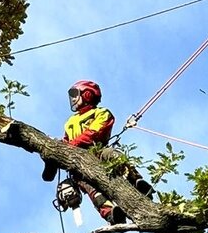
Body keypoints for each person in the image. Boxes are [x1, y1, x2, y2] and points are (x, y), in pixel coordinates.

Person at [43, 80, 152, 224]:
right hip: (78, 163)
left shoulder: (102, 113)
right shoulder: (70, 122)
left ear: (87, 94)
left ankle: (136, 181)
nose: (73, 98)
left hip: (98, 151)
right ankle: (111, 214)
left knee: (113, 155)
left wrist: (72, 145)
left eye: (76, 94)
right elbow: (65, 141)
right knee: (92, 189)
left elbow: (94, 132)